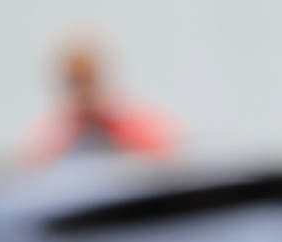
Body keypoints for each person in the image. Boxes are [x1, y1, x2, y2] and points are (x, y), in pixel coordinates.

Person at [24, 38, 175, 166]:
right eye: (75, 82)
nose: (83, 90)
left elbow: (163, 157)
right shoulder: (52, 136)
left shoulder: (131, 123)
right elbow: (33, 168)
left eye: (88, 80)